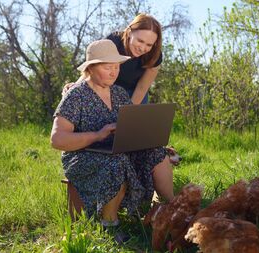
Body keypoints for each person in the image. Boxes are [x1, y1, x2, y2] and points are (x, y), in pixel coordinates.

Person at [51, 40, 169, 237]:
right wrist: (98, 135)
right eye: (108, 67)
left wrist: (144, 135)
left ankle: (173, 207)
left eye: (116, 67)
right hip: (81, 156)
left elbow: (129, 126)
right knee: (117, 162)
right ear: (91, 68)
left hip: (116, 149)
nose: (114, 72)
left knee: (157, 152)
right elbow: (57, 139)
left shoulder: (119, 93)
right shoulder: (76, 95)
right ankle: (109, 225)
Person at [65, 13, 174, 203]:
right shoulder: (113, 42)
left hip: (135, 90)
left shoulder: (154, 55)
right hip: (108, 84)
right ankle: (101, 167)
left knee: (135, 139)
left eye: (149, 44)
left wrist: (127, 115)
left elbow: (142, 87)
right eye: (140, 40)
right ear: (129, 31)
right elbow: (93, 68)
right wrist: (76, 87)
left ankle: (148, 187)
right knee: (103, 130)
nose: (143, 47)